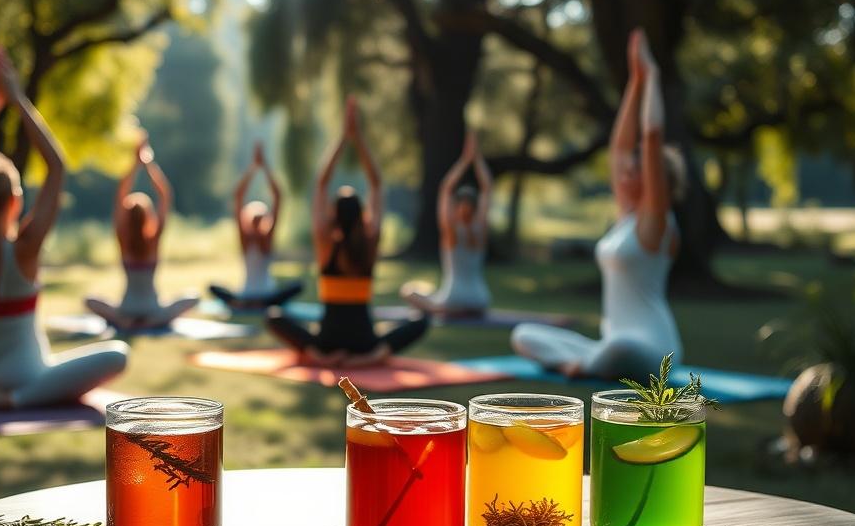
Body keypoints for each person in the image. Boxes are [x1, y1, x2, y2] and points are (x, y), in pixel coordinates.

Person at [0, 48, 127, 409]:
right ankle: (14, 400)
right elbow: (56, 166)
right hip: (26, 374)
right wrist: (17, 100)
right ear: (15, 201)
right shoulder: (26, 246)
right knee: (117, 355)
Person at [510, 29, 685, 379]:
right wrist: (635, 82)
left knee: (620, 350)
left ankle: (586, 365)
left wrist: (652, 76)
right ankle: (580, 364)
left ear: (654, 181)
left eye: (634, 172)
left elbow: (651, 137)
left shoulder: (657, 223)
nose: (623, 175)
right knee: (524, 335)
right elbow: (619, 147)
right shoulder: (627, 218)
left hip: (652, 349)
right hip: (610, 343)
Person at [267, 96, 428, 365]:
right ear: (362, 214)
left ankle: (318, 356)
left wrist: (343, 138)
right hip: (364, 341)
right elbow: (377, 184)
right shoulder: (370, 242)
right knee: (420, 321)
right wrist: (359, 139)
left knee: (273, 316)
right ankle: (372, 356)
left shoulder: (325, 242)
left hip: (328, 341)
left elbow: (321, 183)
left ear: (333, 215)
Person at [84, 134, 198, 330]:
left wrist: (134, 165)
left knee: (90, 300)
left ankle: (122, 321)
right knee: (193, 297)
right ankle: (155, 322)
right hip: (153, 308)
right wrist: (148, 164)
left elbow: (120, 195)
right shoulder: (153, 239)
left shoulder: (123, 238)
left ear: (126, 217)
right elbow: (165, 195)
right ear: (148, 216)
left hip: (126, 308)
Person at [401, 130, 492, 317]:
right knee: (429, 291)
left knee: (408, 291)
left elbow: (446, 189)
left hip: (453, 298)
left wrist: (465, 160)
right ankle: (452, 309)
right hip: (480, 299)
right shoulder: (480, 230)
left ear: (456, 208)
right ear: (476, 209)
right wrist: (477, 159)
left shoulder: (450, 229)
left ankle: (440, 309)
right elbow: (487, 187)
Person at [209, 142, 302, 309]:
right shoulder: (252, 239)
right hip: (263, 296)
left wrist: (259, 166)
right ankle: (253, 302)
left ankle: (245, 303)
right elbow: (241, 196)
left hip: (252, 296)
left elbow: (275, 197)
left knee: (297, 285)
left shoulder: (259, 238)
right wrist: (258, 166)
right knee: (213, 286)